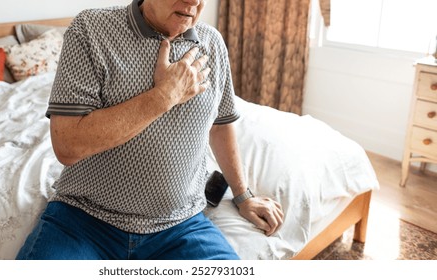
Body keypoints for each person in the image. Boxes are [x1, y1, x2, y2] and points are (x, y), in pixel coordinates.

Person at [16, 0, 284, 260]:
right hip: (83, 219)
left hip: (181, 225)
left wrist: (243, 196)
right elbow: (68, 145)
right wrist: (164, 96)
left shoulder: (211, 42)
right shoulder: (90, 28)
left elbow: (220, 125)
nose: (193, 1)